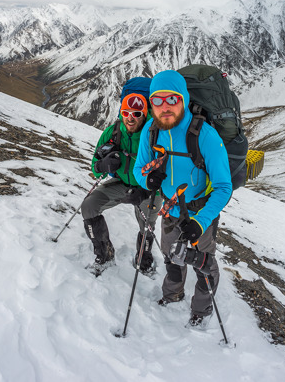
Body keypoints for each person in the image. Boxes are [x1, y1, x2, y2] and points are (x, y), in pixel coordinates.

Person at [133, 70, 232, 326]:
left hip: (200, 211)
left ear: (184, 99)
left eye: (172, 99)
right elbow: (138, 168)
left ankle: (202, 309)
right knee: (170, 255)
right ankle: (173, 293)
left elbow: (223, 186)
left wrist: (200, 221)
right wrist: (148, 180)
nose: (164, 107)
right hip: (169, 208)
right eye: (157, 100)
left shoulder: (205, 136)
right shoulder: (150, 132)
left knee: (204, 263)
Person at [81, 93, 159, 275]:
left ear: (145, 114)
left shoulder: (155, 134)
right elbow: (94, 167)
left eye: (137, 114)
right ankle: (105, 254)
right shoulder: (112, 132)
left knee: (147, 224)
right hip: (121, 183)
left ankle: (144, 258)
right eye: (126, 112)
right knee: (89, 206)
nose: (130, 118)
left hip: (148, 188)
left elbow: (166, 172)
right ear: (121, 113)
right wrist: (103, 164)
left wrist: (147, 191)